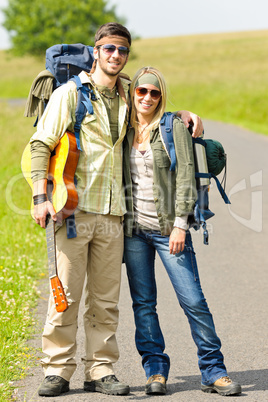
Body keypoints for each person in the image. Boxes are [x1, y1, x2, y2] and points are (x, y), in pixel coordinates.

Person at [30, 22, 203, 397]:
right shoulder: (70, 94)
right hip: (71, 212)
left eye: (122, 50)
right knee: (68, 296)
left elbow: (152, 113)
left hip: (113, 216)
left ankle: (101, 369)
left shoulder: (126, 94)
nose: (115, 56)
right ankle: (57, 369)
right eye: (108, 48)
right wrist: (40, 197)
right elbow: (41, 143)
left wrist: (185, 115)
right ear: (96, 51)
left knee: (106, 299)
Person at [123, 67, 242, 397]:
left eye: (155, 93)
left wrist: (179, 225)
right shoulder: (121, 126)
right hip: (133, 231)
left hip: (168, 230)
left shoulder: (172, 126)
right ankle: (155, 371)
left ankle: (212, 370)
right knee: (143, 304)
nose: (147, 97)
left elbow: (187, 178)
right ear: (132, 93)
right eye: (141, 91)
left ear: (162, 96)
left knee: (194, 301)